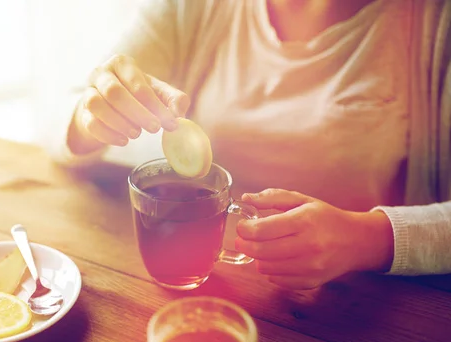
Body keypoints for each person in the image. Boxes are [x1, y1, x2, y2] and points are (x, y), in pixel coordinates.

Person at [48, 0, 451, 290]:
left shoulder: (434, 24)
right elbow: (58, 120)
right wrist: (90, 117)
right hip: (221, 291)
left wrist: (367, 238)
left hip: (369, 307)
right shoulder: (194, 8)